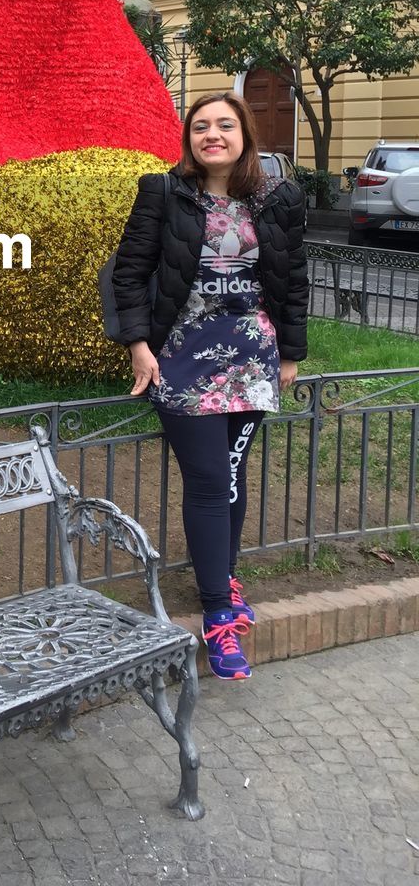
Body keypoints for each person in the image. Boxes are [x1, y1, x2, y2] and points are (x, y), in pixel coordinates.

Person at [112, 91, 308, 680]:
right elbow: (129, 272)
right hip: (182, 360)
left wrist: (290, 355)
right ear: (189, 138)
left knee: (231, 476)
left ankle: (223, 575)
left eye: (225, 125)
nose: (213, 135)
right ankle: (218, 616)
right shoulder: (164, 194)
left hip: (252, 360)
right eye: (201, 127)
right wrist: (139, 347)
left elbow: (293, 277)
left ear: (245, 134)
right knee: (206, 482)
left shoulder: (279, 199)